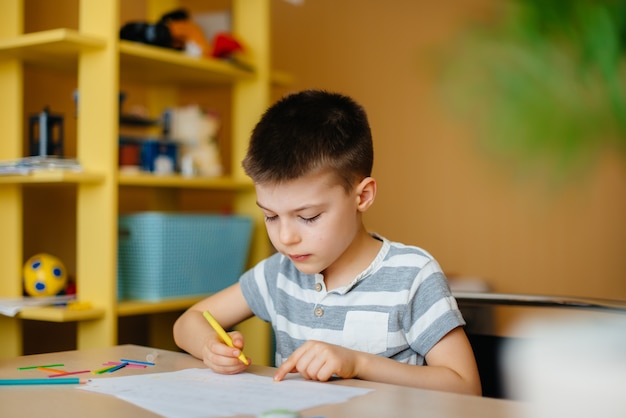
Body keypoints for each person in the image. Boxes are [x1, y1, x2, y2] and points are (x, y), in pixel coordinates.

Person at [173, 89, 482, 396]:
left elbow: (466, 388)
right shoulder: (279, 274)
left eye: (308, 217)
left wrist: (359, 363)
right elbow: (189, 321)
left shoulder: (412, 275)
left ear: (362, 196)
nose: (285, 237)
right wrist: (210, 347)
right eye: (270, 216)